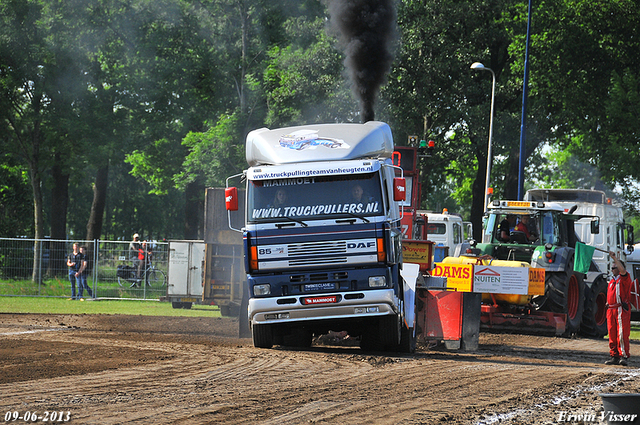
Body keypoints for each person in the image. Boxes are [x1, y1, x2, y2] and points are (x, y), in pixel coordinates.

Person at [605, 251, 632, 366]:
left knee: (622, 333)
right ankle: (614, 355)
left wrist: (614, 258)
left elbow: (622, 271)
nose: (612, 269)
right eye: (611, 268)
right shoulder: (612, 281)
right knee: (612, 333)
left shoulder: (624, 279)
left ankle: (623, 355)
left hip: (621, 309)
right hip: (611, 310)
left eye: (614, 267)